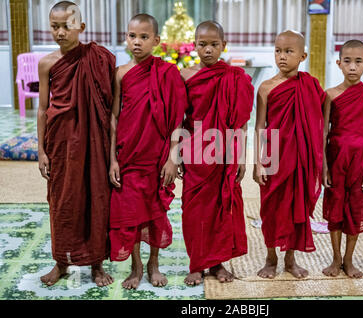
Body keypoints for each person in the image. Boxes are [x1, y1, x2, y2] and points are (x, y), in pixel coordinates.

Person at [37, 1, 115, 286]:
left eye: (66, 26)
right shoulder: (46, 63)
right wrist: (40, 150)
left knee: (95, 197)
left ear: (81, 27)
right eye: (54, 26)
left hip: (93, 141)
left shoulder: (98, 58)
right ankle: (61, 261)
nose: (59, 32)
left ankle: (96, 264)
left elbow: (109, 103)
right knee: (62, 201)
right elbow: (43, 108)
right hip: (60, 142)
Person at [108, 14, 188, 290]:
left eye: (144, 37)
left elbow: (178, 117)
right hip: (128, 154)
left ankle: (153, 264)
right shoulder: (120, 73)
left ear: (156, 41)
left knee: (154, 212)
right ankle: (136, 266)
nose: (137, 42)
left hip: (157, 155)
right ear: (126, 37)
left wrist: (172, 158)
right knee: (129, 213)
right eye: (132, 36)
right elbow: (114, 117)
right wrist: (112, 160)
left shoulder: (167, 72)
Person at [180, 21, 254, 286]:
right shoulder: (186, 76)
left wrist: (242, 157)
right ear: (195, 45)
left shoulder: (236, 78)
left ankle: (218, 263)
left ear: (224, 45)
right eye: (202, 44)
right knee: (194, 211)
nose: (208, 50)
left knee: (223, 209)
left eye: (214, 44)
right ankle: (197, 264)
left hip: (225, 153)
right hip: (195, 152)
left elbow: (242, 120)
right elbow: (179, 119)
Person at [253, 30, 325, 279]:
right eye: (278, 50)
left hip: (301, 160)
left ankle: (291, 259)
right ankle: (271, 258)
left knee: (297, 208)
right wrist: (258, 163)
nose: (282, 56)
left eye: (288, 51)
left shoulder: (311, 85)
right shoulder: (265, 87)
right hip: (273, 157)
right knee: (271, 209)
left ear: (302, 55)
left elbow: (319, 121)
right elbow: (259, 126)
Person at [321, 40, 363, 278]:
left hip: (361, 164)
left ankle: (349, 260)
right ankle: (335, 259)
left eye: (358, 61)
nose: (352, 66)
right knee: (335, 208)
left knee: (356, 210)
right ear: (338, 63)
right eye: (347, 61)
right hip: (336, 160)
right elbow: (324, 133)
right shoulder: (329, 95)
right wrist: (324, 166)